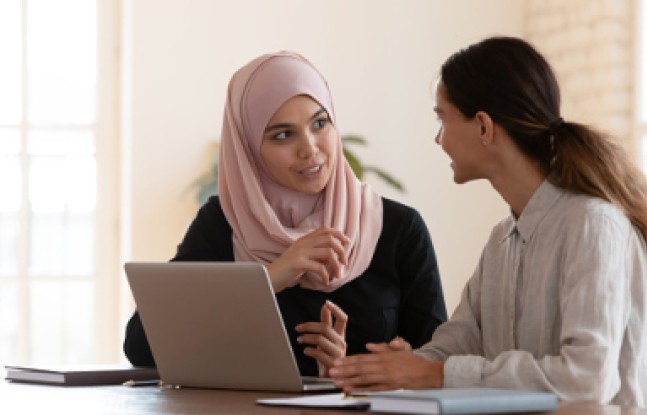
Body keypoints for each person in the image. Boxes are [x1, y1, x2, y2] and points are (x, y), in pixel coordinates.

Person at [329, 36, 647, 409]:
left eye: (443, 119)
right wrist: (402, 365)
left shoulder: (593, 226)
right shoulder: (500, 241)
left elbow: (587, 378)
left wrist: (436, 373)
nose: (438, 138)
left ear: (483, 127)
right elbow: (456, 344)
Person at [123, 51, 448, 377]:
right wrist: (270, 278)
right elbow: (141, 346)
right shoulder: (225, 223)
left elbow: (435, 363)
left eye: (320, 124)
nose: (310, 148)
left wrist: (349, 370)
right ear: (249, 149)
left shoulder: (398, 228)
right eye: (283, 135)